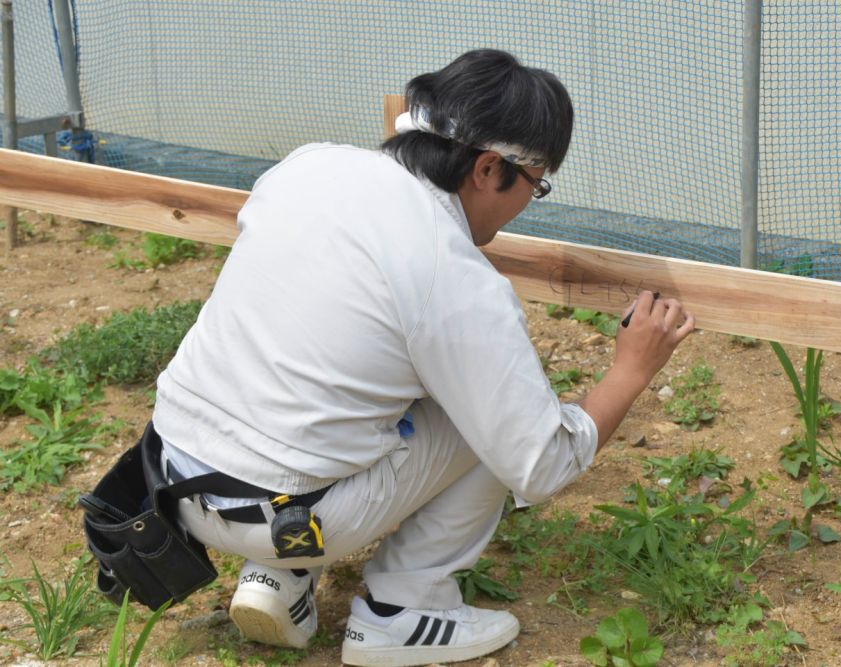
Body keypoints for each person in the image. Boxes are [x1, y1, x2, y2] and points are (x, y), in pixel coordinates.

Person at [150, 49, 695, 666]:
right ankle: (401, 612)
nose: (526, 203)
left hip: (174, 476)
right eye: (535, 186)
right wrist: (632, 369)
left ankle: (280, 576)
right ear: (490, 169)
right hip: (283, 514)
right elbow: (539, 464)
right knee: (492, 421)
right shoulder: (451, 275)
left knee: (349, 366)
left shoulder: (310, 165)